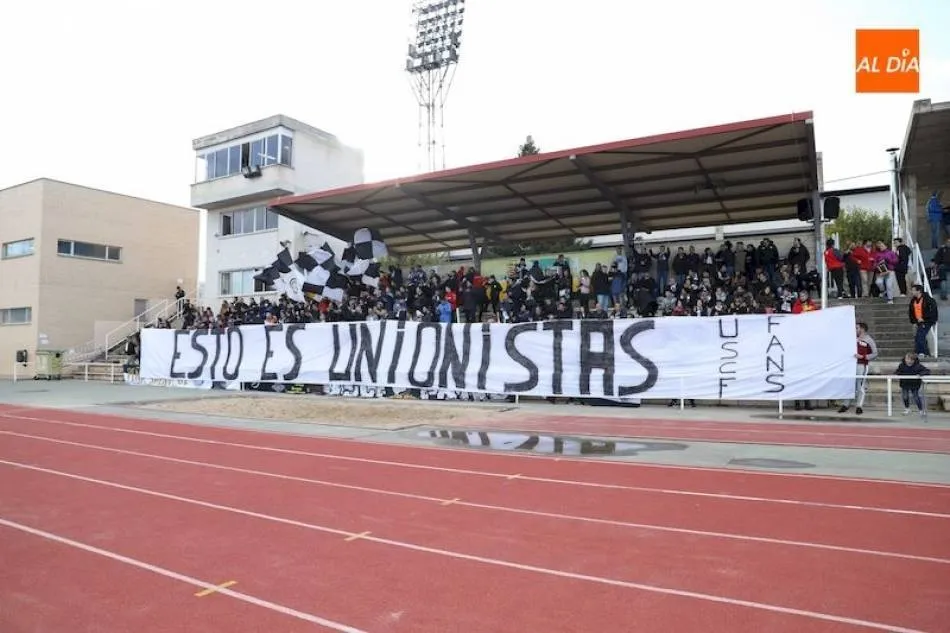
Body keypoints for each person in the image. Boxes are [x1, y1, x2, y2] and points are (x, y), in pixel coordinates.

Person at [838, 322, 878, 415]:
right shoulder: (852, 339)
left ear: (862, 329)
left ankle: (859, 406)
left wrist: (863, 357)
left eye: (857, 328)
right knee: (848, 385)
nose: (855, 330)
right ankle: (845, 404)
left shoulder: (869, 340)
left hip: (861, 365)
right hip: (850, 366)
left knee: (860, 385)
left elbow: (875, 353)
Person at [908, 284, 938, 357]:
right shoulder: (913, 300)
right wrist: (914, 321)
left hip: (926, 321)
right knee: (917, 336)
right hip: (917, 321)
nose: (911, 292)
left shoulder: (928, 299)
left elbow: (933, 311)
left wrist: (924, 318)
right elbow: (911, 312)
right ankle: (921, 352)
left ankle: (923, 352)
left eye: (913, 290)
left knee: (920, 336)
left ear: (919, 291)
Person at [896, 353, 930, 417]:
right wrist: (898, 374)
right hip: (904, 384)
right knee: (905, 396)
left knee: (916, 397)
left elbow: (927, 371)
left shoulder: (918, 366)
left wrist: (920, 374)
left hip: (915, 384)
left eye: (910, 359)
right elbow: (898, 371)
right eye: (907, 359)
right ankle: (907, 409)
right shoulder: (901, 365)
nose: (908, 361)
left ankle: (921, 410)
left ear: (913, 360)